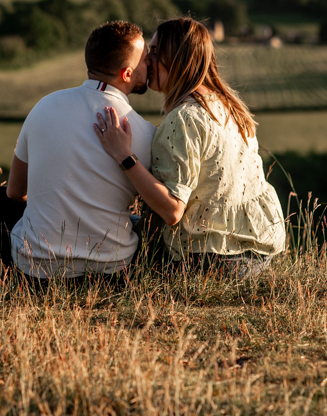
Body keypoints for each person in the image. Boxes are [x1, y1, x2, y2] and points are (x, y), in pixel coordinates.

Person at [93, 17, 286, 276]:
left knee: (109, 233)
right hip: (256, 255)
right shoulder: (228, 106)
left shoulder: (183, 119)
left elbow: (172, 211)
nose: (147, 61)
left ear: (176, 61)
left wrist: (124, 155)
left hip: (208, 262)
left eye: (154, 52)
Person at [0, 20, 156, 280]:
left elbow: (15, 192)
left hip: (35, 273)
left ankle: (1, 279)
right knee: (139, 221)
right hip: (110, 274)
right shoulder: (144, 131)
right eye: (146, 59)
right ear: (127, 74)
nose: (150, 64)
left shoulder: (44, 107)